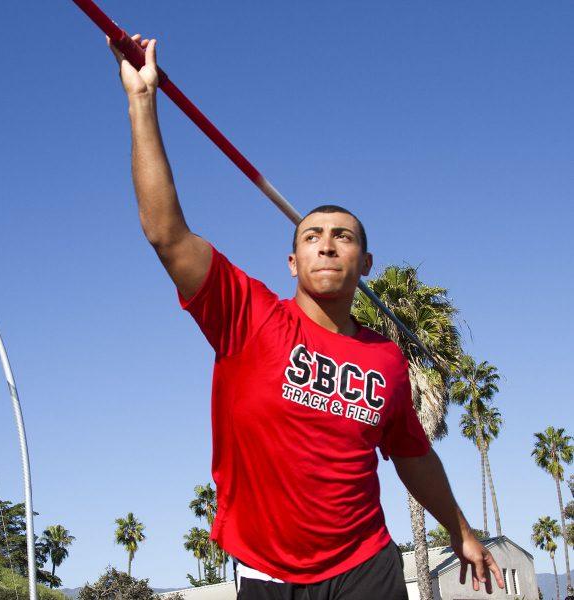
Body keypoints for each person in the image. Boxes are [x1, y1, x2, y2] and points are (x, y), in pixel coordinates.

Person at [106, 33, 505, 600]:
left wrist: (461, 531)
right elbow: (166, 234)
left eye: (342, 238)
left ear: (364, 262)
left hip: (367, 565)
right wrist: (141, 102)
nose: (326, 245)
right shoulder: (246, 315)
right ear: (292, 261)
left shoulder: (385, 359)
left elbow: (414, 456)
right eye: (312, 236)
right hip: (269, 574)